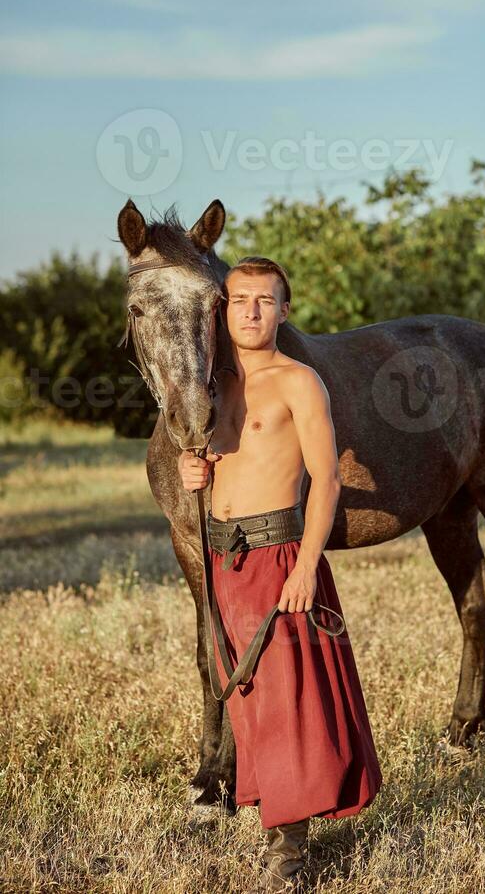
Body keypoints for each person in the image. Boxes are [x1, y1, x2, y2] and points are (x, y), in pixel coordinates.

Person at [178, 256, 382, 892]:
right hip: (223, 558)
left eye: (265, 301)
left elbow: (327, 477)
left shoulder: (300, 382)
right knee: (249, 700)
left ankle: (287, 853)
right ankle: (271, 813)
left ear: (283, 311)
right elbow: (200, 464)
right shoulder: (210, 386)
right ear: (223, 309)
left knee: (291, 700)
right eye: (239, 300)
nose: (251, 311)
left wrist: (308, 566)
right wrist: (195, 473)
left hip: (280, 554)